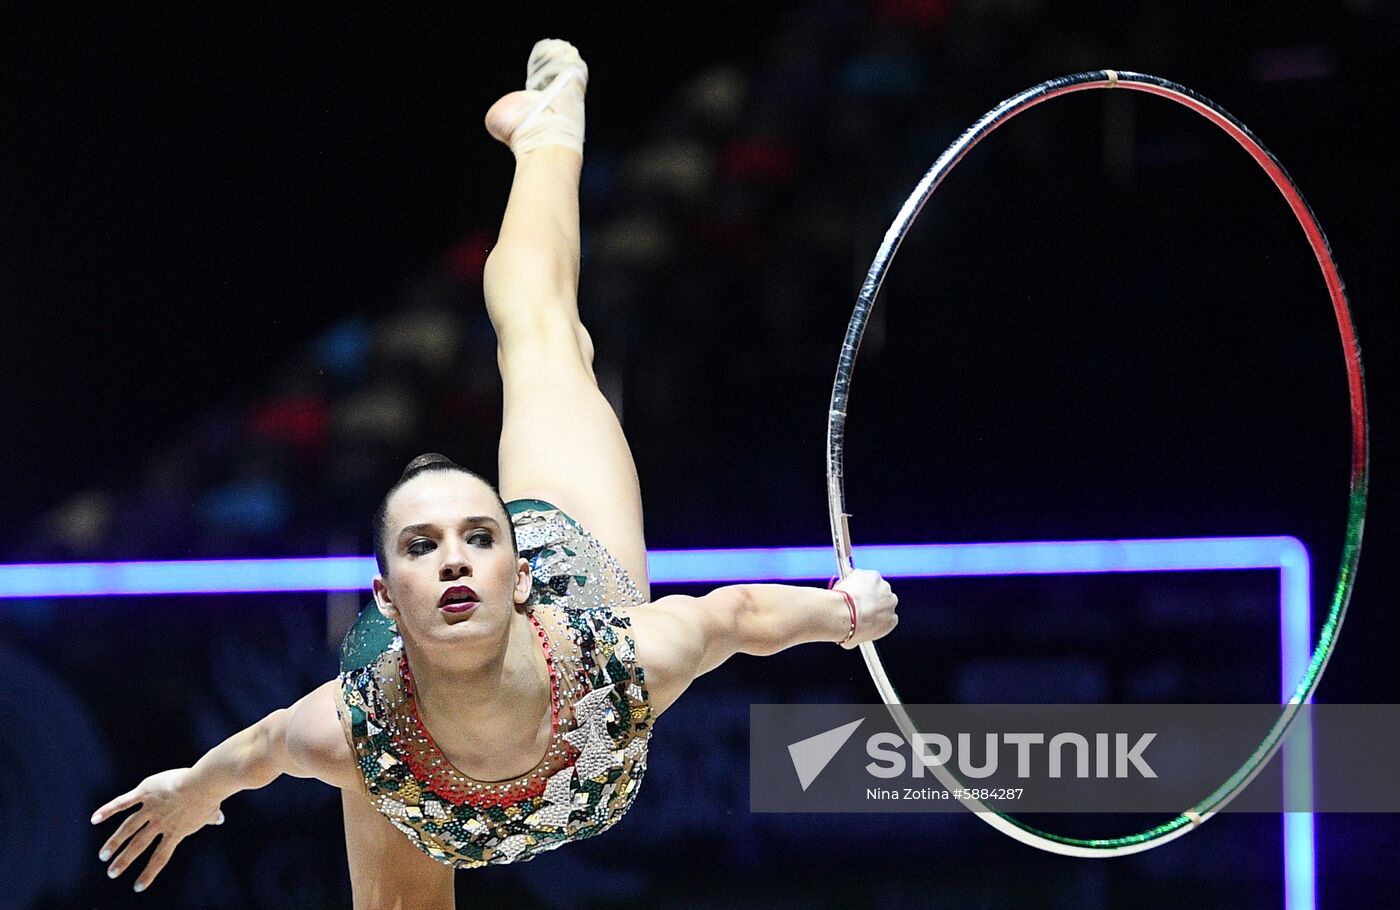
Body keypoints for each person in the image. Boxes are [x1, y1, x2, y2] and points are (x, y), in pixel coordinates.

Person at [91, 39, 899, 906]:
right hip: (416, 791)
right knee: (371, 793)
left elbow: (735, 615)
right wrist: (194, 790)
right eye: (422, 546)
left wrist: (841, 612)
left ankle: (549, 135)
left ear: (517, 575)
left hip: (573, 586)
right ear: (384, 596)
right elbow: (254, 753)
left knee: (546, 334)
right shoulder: (356, 732)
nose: (452, 559)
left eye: (478, 538)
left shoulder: (617, 658)